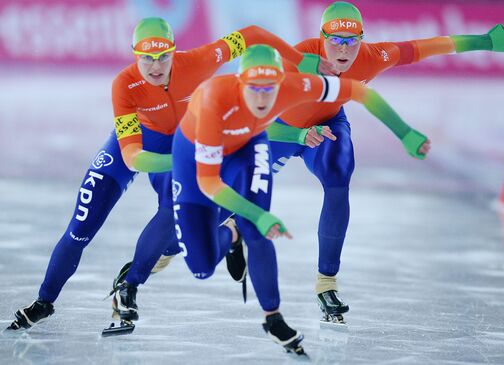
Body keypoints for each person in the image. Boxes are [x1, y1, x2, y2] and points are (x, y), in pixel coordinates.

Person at [6, 17, 336, 331]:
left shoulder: (198, 61)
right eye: (146, 58)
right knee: (80, 229)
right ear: (135, 56)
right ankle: (44, 301)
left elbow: (250, 34)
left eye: (163, 56)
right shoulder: (124, 84)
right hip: (138, 148)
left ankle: (129, 287)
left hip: (181, 143)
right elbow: (132, 157)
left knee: (177, 225)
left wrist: (300, 61)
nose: (155, 66)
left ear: (174, 52)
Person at [265, 1, 504, 323]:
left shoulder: (372, 57)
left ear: (362, 39)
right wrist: (298, 137)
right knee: (236, 198)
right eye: (335, 41)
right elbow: (255, 118)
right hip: (280, 129)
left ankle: (326, 283)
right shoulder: (298, 58)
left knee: (339, 176)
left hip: (328, 125)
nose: (343, 50)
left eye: (352, 41)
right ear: (320, 38)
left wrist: (484, 41)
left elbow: (429, 46)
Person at [171, 44, 430, 353]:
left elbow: (361, 92)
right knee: (201, 267)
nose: (264, 99)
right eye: (255, 90)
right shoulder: (214, 100)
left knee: (258, 229)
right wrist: (257, 213)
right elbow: (209, 181)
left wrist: (404, 133)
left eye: (271, 90)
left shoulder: (297, 86)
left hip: (250, 144)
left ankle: (273, 317)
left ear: (282, 83)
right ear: (240, 84)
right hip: (197, 158)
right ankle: (232, 231)